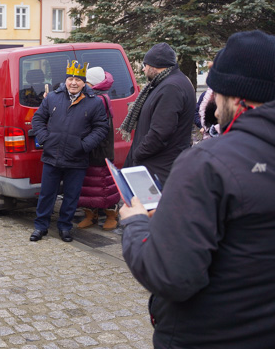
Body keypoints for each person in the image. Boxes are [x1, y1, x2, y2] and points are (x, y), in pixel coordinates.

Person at [119, 30, 275, 349]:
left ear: (234, 96)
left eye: (216, 93)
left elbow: (171, 274)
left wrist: (137, 225)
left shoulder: (208, 162)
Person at [30, 61, 109, 243]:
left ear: (84, 82)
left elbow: (101, 128)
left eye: (78, 80)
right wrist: (45, 139)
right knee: (46, 194)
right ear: (66, 80)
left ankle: (65, 227)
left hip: (77, 158)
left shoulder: (94, 102)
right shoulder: (52, 98)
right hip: (52, 156)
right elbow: (38, 119)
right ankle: (40, 226)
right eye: (70, 79)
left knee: (71, 196)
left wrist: (84, 145)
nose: (73, 83)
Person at [119, 42, 196, 185]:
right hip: (158, 165)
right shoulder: (167, 82)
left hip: (159, 169)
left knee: (152, 207)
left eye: (145, 65)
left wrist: (138, 153)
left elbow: (160, 133)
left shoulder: (171, 88)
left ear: (154, 66)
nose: (143, 69)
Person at [74, 67, 121, 231]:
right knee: (88, 185)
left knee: (104, 184)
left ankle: (111, 215)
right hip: (88, 149)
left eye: (84, 81)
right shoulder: (90, 96)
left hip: (100, 149)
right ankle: (90, 215)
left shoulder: (99, 99)